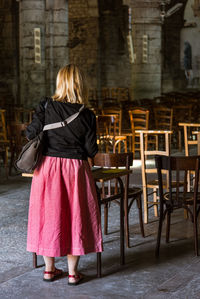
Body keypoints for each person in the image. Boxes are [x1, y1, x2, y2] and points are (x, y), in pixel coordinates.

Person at [26, 64, 103, 285]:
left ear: (60, 82)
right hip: (75, 170)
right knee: (75, 216)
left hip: (47, 169)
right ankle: (72, 273)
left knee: (49, 216)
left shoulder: (46, 105)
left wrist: (43, 120)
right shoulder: (87, 114)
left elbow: (31, 133)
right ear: (80, 84)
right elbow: (91, 150)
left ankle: (49, 270)